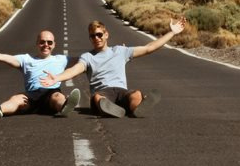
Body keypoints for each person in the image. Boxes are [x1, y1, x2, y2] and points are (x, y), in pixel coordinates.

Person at [39, 17, 186, 117]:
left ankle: (136, 108)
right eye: (92, 36)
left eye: (99, 34)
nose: (96, 38)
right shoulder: (88, 57)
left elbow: (149, 47)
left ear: (106, 34)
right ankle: (111, 109)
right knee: (98, 97)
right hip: (103, 92)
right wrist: (57, 77)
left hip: (121, 91)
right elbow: (74, 70)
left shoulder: (120, 51)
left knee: (135, 94)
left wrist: (172, 32)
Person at [0, 30, 81, 119]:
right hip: (31, 95)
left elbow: (86, 61)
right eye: (42, 42)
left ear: (54, 44)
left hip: (51, 93)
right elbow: (0, 57)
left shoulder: (62, 59)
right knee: (16, 99)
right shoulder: (26, 59)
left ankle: (65, 106)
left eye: (49, 42)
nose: (46, 45)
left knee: (58, 97)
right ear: (37, 43)